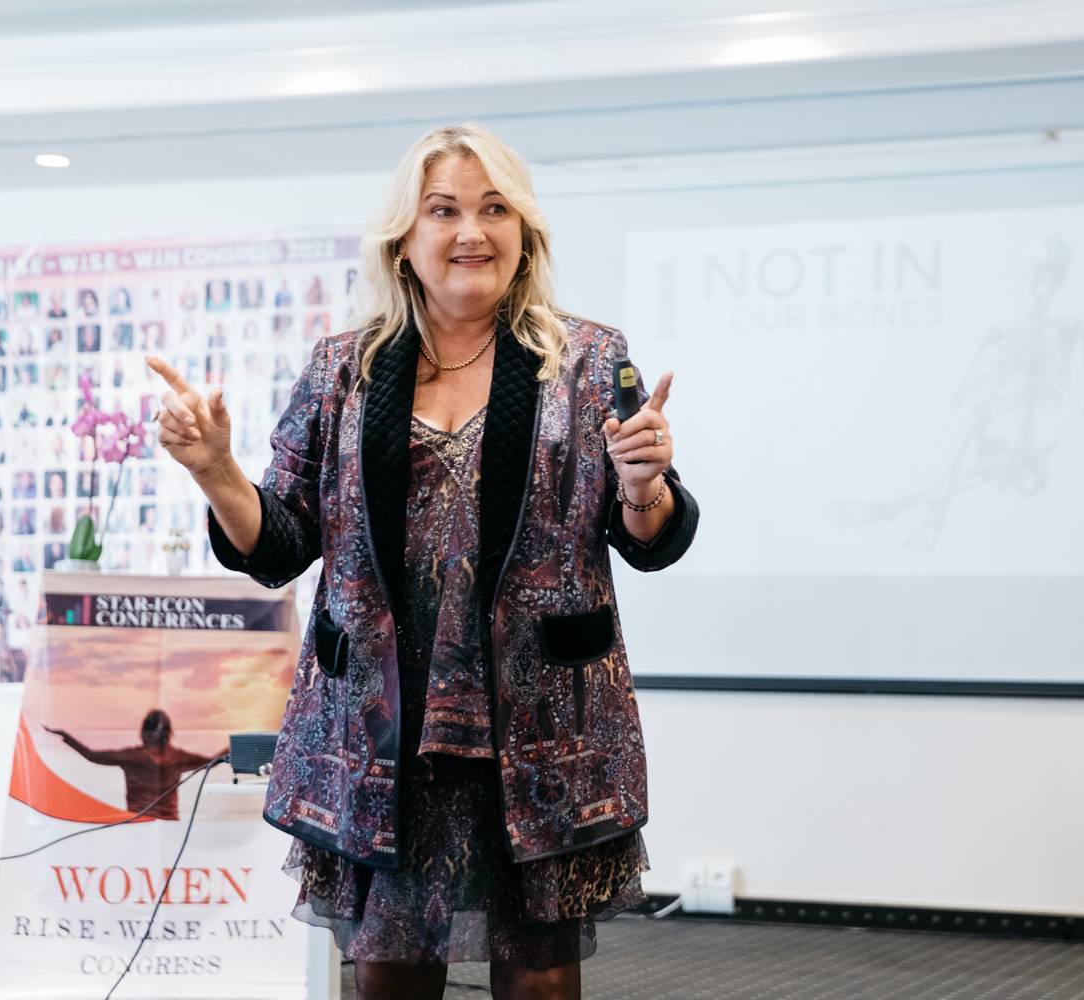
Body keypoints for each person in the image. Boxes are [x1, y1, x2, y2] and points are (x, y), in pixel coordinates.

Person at [148, 123, 697, 1000]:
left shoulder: (587, 362)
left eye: (495, 209)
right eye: (444, 210)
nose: (472, 231)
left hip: (540, 729)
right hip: (383, 733)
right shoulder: (344, 370)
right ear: (404, 238)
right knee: (388, 977)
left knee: (540, 980)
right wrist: (216, 472)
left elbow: (650, 537)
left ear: (524, 234)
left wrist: (643, 485)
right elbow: (281, 543)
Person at [43, 710, 219, 820]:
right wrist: (230, 749)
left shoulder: (134, 757)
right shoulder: (177, 758)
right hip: (164, 824)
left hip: (138, 822)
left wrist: (66, 737)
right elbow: (212, 762)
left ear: (143, 732)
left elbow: (92, 756)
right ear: (169, 733)